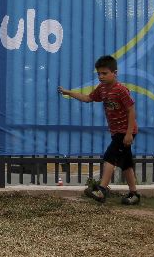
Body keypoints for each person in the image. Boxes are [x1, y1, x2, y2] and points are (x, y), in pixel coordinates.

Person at [58, 55, 140, 205]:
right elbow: (88, 98)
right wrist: (69, 93)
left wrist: (129, 133)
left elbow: (131, 111)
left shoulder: (121, 90)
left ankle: (101, 190)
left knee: (109, 156)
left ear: (115, 73)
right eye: (99, 74)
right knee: (126, 163)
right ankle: (134, 194)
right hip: (116, 131)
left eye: (105, 73)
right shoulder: (102, 89)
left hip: (125, 131)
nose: (101, 77)